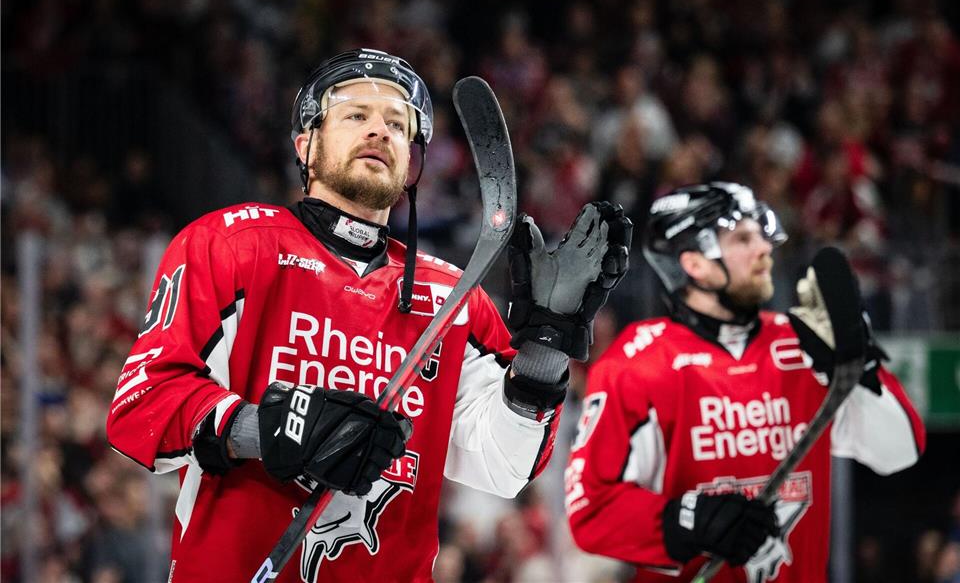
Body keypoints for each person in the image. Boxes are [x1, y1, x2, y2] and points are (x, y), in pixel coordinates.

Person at [105, 48, 631, 582]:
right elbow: (142, 405)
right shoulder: (232, 245)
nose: (380, 129)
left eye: (398, 124)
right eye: (356, 114)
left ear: (411, 166)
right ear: (305, 144)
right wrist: (272, 429)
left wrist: (545, 344)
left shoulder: (452, 297)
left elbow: (504, 464)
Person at [565, 181, 925, 582]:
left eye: (762, 236)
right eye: (742, 238)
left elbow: (900, 450)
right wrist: (686, 522)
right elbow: (590, 510)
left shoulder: (804, 345)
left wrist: (860, 366)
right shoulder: (638, 363)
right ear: (695, 263)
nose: (765, 249)